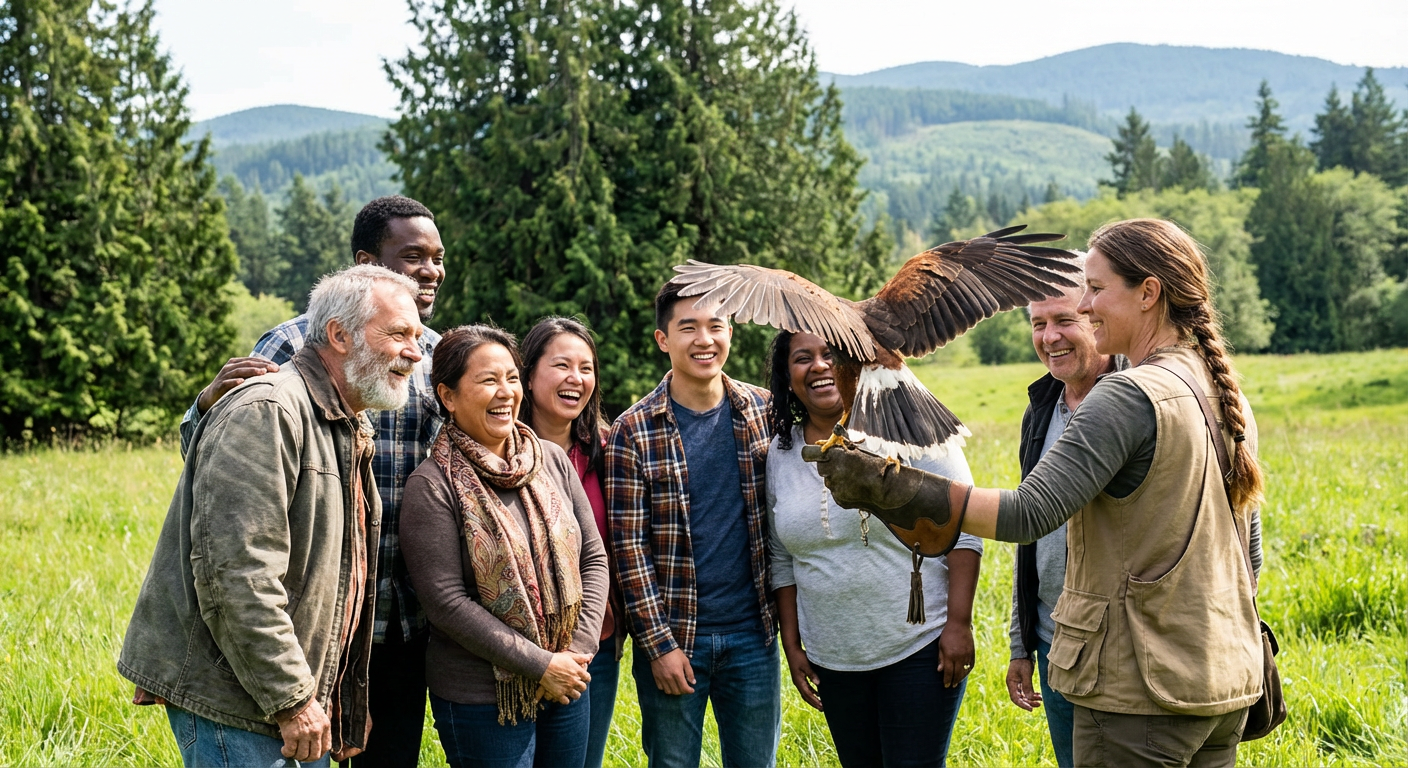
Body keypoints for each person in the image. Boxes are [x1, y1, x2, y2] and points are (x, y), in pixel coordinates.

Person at [808, 218, 1267, 768]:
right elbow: (1249, 547)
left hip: (1138, 690)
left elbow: (1028, 514)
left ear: (1149, 294)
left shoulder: (1127, 395)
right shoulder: (1216, 386)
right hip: (1222, 678)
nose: (1088, 306)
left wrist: (892, 486)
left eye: (1095, 291)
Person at [119, 265, 426, 767]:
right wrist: (294, 701)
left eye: (417, 336)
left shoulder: (344, 419)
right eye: (398, 334)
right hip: (241, 702)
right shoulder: (269, 411)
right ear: (339, 335)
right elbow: (238, 576)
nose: (415, 352)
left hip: (276, 695)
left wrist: (339, 700)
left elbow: (343, 581)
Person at [179, 195, 446, 767]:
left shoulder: (436, 353)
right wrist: (206, 405)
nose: (431, 270)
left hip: (400, 611)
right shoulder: (289, 351)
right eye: (414, 256)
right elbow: (222, 478)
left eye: (438, 257)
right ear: (364, 262)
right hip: (304, 615)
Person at [765, 330, 982, 768]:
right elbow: (781, 557)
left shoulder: (907, 432)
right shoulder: (781, 451)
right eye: (803, 358)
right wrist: (792, 645)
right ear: (788, 378)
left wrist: (958, 623)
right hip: (834, 659)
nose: (820, 366)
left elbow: (966, 527)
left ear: (858, 362)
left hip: (917, 647)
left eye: (831, 354)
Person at [399, 324, 609, 768]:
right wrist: (540, 665)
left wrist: (575, 653)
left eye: (512, 378)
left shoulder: (548, 459)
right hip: (483, 698)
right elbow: (446, 604)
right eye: (488, 380)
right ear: (448, 396)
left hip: (568, 679)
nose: (505, 392)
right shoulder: (432, 486)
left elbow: (592, 556)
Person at [607, 281, 779, 768]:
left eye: (716, 326)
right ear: (663, 339)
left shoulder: (764, 411)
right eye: (689, 328)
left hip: (754, 635)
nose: (705, 339)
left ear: (731, 334)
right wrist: (660, 646)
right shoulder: (633, 431)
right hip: (677, 636)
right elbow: (629, 552)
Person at [1005, 269, 1127, 768]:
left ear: (1097, 316)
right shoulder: (1041, 410)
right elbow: (1031, 535)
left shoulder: (1137, 397)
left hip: (1124, 648)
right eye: (1037, 324)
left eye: (1064, 319)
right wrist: (1021, 642)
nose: (1049, 337)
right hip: (1055, 643)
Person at [518, 316, 624, 768]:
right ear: (527, 373)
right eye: (562, 365)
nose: (575, 379)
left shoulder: (609, 448)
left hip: (591, 648)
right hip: (515, 653)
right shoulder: (496, 449)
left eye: (586, 367)